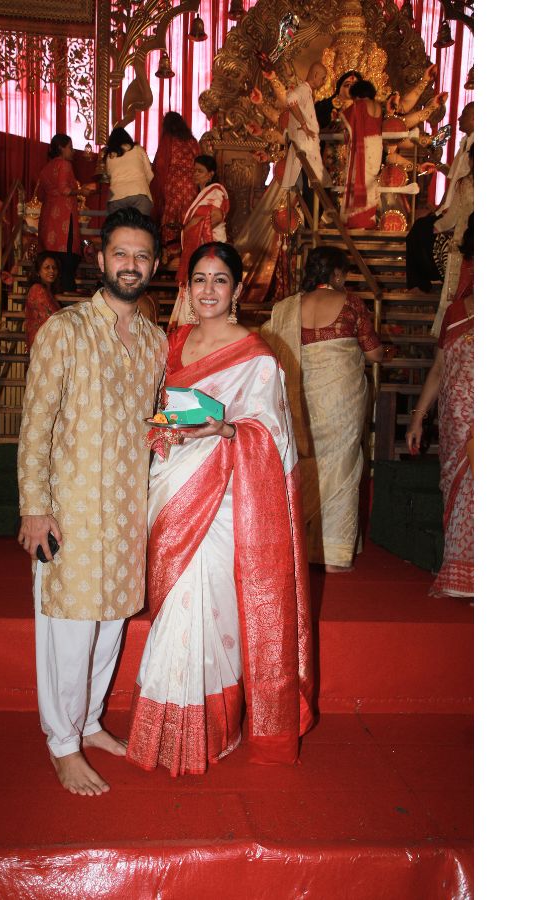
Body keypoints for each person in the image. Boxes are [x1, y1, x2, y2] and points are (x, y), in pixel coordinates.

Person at [126, 241, 315, 777]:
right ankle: (169, 730)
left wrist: (227, 429)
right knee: (176, 605)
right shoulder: (171, 343)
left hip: (227, 495)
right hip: (172, 482)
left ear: (237, 290)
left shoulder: (257, 355)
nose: (208, 290)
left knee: (207, 604)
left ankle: (211, 729)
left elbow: (274, 435)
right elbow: (156, 408)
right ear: (187, 287)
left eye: (220, 280)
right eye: (199, 279)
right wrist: (161, 429)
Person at [17, 206, 168, 797]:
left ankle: (88, 722)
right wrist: (35, 508)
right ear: (102, 259)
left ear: (153, 265)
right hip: (71, 513)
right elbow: (36, 425)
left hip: (127, 511)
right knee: (69, 627)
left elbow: (158, 423)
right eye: (120, 253)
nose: (130, 264)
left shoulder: (155, 342)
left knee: (111, 624)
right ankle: (62, 743)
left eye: (141, 256)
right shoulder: (66, 330)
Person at [262, 246, 384, 573]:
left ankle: (297, 546)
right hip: (341, 402)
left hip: (301, 401)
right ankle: (333, 555)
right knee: (342, 468)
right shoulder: (351, 304)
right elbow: (374, 354)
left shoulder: (287, 309)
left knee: (304, 464)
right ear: (338, 274)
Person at [406, 215, 473, 599]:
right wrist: (418, 417)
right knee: (462, 490)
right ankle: (462, 576)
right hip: (458, 418)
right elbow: (439, 369)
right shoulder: (457, 311)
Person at [341, 76, 442, 230]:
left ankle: (357, 220)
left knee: (359, 179)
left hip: (363, 148)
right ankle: (367, 219)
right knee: (369, 182)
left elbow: (345, 121)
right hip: (376, 148)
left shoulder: (359, 105)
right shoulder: (377, 107)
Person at [168, 155, 229, 330]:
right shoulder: (201, 195)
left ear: (211, 174)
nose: (195, 174)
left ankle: (201, 326)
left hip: (211, 248)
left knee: (204, 286)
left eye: (200, 171)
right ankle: (189, 327)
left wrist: (191, 226)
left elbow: (215, 217)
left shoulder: (216, 192)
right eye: (194, 170)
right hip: (199, 249)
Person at [430, 101, 473, 336]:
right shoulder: (465, 144)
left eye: (464, 114)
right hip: (467, 237)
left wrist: (437, 226)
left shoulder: (467, 184)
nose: (458, 119)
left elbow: (453, 216)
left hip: (465, 241)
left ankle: (452, 333)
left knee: (458, 289)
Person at [37, 133, 95, 294]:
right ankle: (66, 300)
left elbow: (40, 195)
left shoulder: (46, 168)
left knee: (51, 261)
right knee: (67, 263)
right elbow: (65, 189)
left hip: (48, 219)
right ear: (61, 148)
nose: (73, 151)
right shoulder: (64, 164)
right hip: (63, 219)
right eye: (70, 147)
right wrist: (82, 191)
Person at [150, 112, 200, 264]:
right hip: (191, 184)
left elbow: (160, 164)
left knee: (171, 216)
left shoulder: (169, 139)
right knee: (187, 216)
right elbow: (199, 160)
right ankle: (187, 254)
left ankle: (171, 256)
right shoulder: (192, 141)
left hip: (173, 184)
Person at [279, 62, 330, 191]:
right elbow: (291, 100)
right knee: (309, 184)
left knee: (318, 183)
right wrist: (304, 125)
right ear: (315, 75)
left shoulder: (307, 91)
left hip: (307, 144)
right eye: (323, 78)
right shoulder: (303, 89)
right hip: (303, 144)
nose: (324, 82)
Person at [103, 126, 155, 217]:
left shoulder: (109, 156)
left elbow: (109, 176)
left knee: (119, 225)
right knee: (140, 225)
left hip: (116, 196)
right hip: (140, 193)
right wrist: (142, 185)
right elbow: (150, 174)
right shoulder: (138, 149)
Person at [23, 251, 62, 351]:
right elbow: (52, 317)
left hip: (46, 342)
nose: (51, 271)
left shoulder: (47, 291)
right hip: (41, 346)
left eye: (54, 268)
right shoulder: (37, 290)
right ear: (38, 271)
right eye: (47, 267)